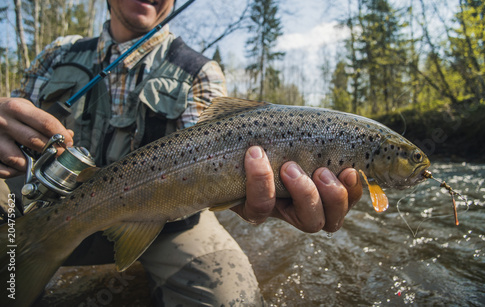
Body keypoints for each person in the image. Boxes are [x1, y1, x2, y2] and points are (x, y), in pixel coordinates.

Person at [0, 0, 363, 305]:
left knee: (231, 297)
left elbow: (211, 164)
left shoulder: (198, 72)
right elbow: (12, 135)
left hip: (166, 221)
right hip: (47, 201)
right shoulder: (57, 54)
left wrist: (251, 193)